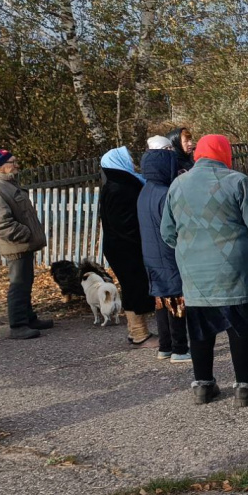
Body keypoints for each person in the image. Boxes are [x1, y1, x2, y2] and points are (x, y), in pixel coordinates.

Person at [161, 135, 248, 407]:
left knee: (201, 326)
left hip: (194, 271)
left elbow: (167, 232)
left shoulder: (178, 184)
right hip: (235, 266)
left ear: (198, 154)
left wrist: (189, 250)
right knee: (240, 324)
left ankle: (203, 386)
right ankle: (245, 387)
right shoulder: (238, 181)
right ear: (225, 153)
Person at [0, 149, 52, 340]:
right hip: (15, 244)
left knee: (25, 281)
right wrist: (25, 234)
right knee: (19, 284)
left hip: (21, 244)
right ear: (0, 166)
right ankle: (18, 325)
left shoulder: (6, 183)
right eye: (12, 162)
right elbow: (0, 224)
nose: (16, 165)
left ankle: (29, 318)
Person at [99, 146, 156, 346]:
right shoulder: (121, 188)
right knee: (134, 288)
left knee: (132, 287)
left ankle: (135, 331)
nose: (132, 162)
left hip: (121, 246)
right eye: (128, 158)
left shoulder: (118, 184)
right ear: (118, 163)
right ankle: (140, 334)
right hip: (126, 248)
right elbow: (125, 224)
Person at [138, 147, 190, 363]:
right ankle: (179, 348)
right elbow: (174, 225)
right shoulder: (165, 193)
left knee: (161, 300)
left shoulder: (145, 191)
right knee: (176, 300)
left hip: (151, 255)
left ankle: (165, 345)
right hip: (168, 254)